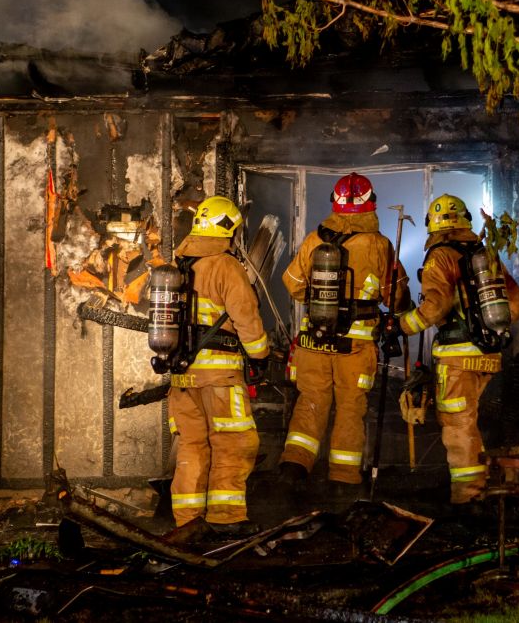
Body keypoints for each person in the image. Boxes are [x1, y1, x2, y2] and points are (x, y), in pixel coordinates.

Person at [278, 172, 410, 490]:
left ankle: (294, 467)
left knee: (311, 401)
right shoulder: (380, 245)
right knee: (350, 408)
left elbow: (292, 283)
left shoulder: (315, 239)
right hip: (355, 346)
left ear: (334, 204)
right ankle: (343, 479)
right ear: (371, 204)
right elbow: (395, 296)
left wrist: (317, 301)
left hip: (315, 340)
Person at [392, 194, 519, 506]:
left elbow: (435, 307)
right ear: (465, 220)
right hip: (489, 354)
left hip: (456, 358)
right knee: (474, 422)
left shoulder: (439, 256)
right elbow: (516, 301)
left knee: (458, 426)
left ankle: (469, 498)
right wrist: (490, 330)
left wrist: (402, 326)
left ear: (432, 224)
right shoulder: (484, 253)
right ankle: (489, 487)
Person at [167, 195, 270, 537]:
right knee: (234, 442)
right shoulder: (225, 266)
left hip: (182, 377)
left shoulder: (178, 266)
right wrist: (260, 356)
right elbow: (246, 317)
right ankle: (226, 519)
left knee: (192, 446)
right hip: (220, 377)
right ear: (228, 230)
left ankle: (188, 523)